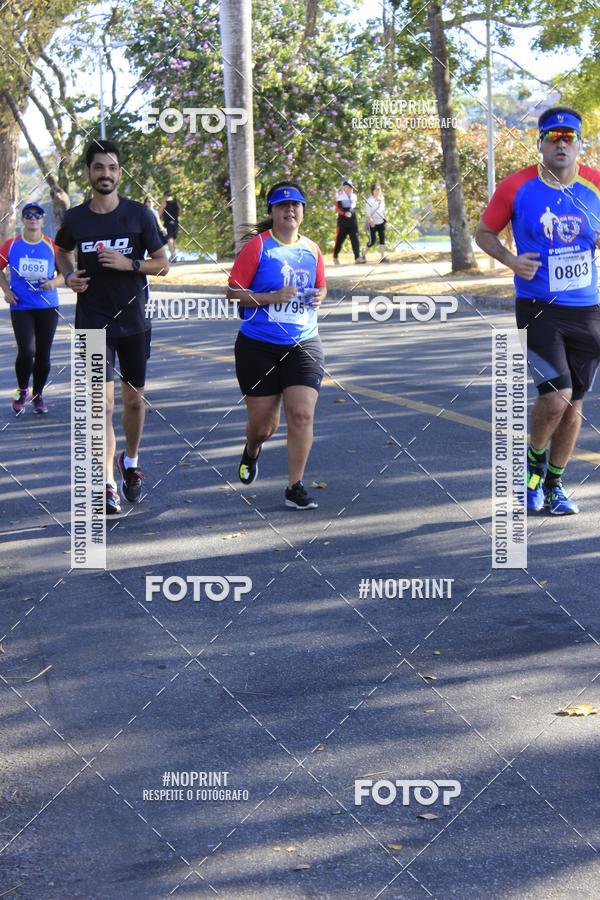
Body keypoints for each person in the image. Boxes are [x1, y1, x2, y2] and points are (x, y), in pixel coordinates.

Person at [475, 106, 600, 516]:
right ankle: (532, 470)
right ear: (541, 144)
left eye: (569, 137)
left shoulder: (596, 184)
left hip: (588, 310)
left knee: (574, 402)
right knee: (555, 397)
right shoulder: (517, 186)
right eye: (553, 137)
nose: (561, 143)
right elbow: (484, 233)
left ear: (580, 144)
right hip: (537, 307)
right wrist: (511, 261)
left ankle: (554, 486)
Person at [55, 139, 170, 515]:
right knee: (100, 405)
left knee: (134, 400)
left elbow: (162, 263)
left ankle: (130, 462)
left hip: (134, 321)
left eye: (112, 168)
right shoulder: (75, 219)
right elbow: (62, 251)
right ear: (88, 172)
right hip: (92, 322)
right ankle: (106, 482)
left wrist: (129, 264)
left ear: (120, 173)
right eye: (99, 167)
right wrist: (69, 276)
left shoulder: (139, 215)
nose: (106, 174)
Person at [227, 181, 327, 509]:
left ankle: (294, 486)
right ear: (272, 212)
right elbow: (233, 294)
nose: (290, 210)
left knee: (301, 414)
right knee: (262, 426)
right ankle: (252, 449)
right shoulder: (258, 247)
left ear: (302, 211)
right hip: (258, 346)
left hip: (303, 343)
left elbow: (321, 286)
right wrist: (272, 297)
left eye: (295, 204)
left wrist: (319, 296)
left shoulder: (312, 250)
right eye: (282, 205)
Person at [0, 202, 63, 414]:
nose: (33, 218)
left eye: (37, 215)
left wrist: (53, 283)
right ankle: (21, 390)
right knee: (27, 351)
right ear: (22, 219)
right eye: (28, 215)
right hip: (21, 306)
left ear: (43, 220)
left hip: (47, 306)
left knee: (43, 354)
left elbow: (66, 273)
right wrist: (6, 291)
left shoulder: (52, 245)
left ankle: (38, 395)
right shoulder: (11, 245)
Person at [333, 179, 365, 265]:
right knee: (339, 240)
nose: (350, 189)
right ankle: (335, 256)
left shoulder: (354, 196)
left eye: (351, 187)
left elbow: (353, 206)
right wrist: (345, 213)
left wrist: (350, 212)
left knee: (355, 239)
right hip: (342, 222)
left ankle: (357, 257)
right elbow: (338, 208)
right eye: (348, 187)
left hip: (352, 221)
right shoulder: (340, 196)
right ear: (344, 188)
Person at [364, 180, 388, 262]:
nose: (378, 191)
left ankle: (382, 258)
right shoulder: (369, 201)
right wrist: (371, 222)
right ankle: (363, 255)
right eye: (377, 189)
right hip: (373, 223)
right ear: (373, 191)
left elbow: (383, 210)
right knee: (372, 241)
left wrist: (386, 219)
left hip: (381, 221)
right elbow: (368, 214)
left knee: (382, 239)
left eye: (379, 189)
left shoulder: (382, 198)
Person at [159, 192, 181, 262]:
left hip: (168, 222)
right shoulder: (177, 203)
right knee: (174, 239)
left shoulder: (164, 203)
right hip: (176, 222)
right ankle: (174, 254)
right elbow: (180, 212)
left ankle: (173, 255)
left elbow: (159, 213)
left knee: (169, 238)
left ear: (165, 196)